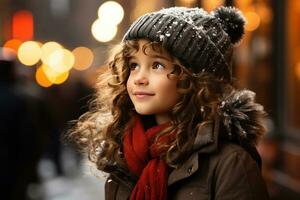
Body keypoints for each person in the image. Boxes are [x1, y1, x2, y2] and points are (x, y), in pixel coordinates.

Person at [67, 6, 270, 200]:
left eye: (157, 65)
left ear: (195, 79)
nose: (139, 78)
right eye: (134, 65)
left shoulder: (231, 164)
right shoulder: (123, 157)